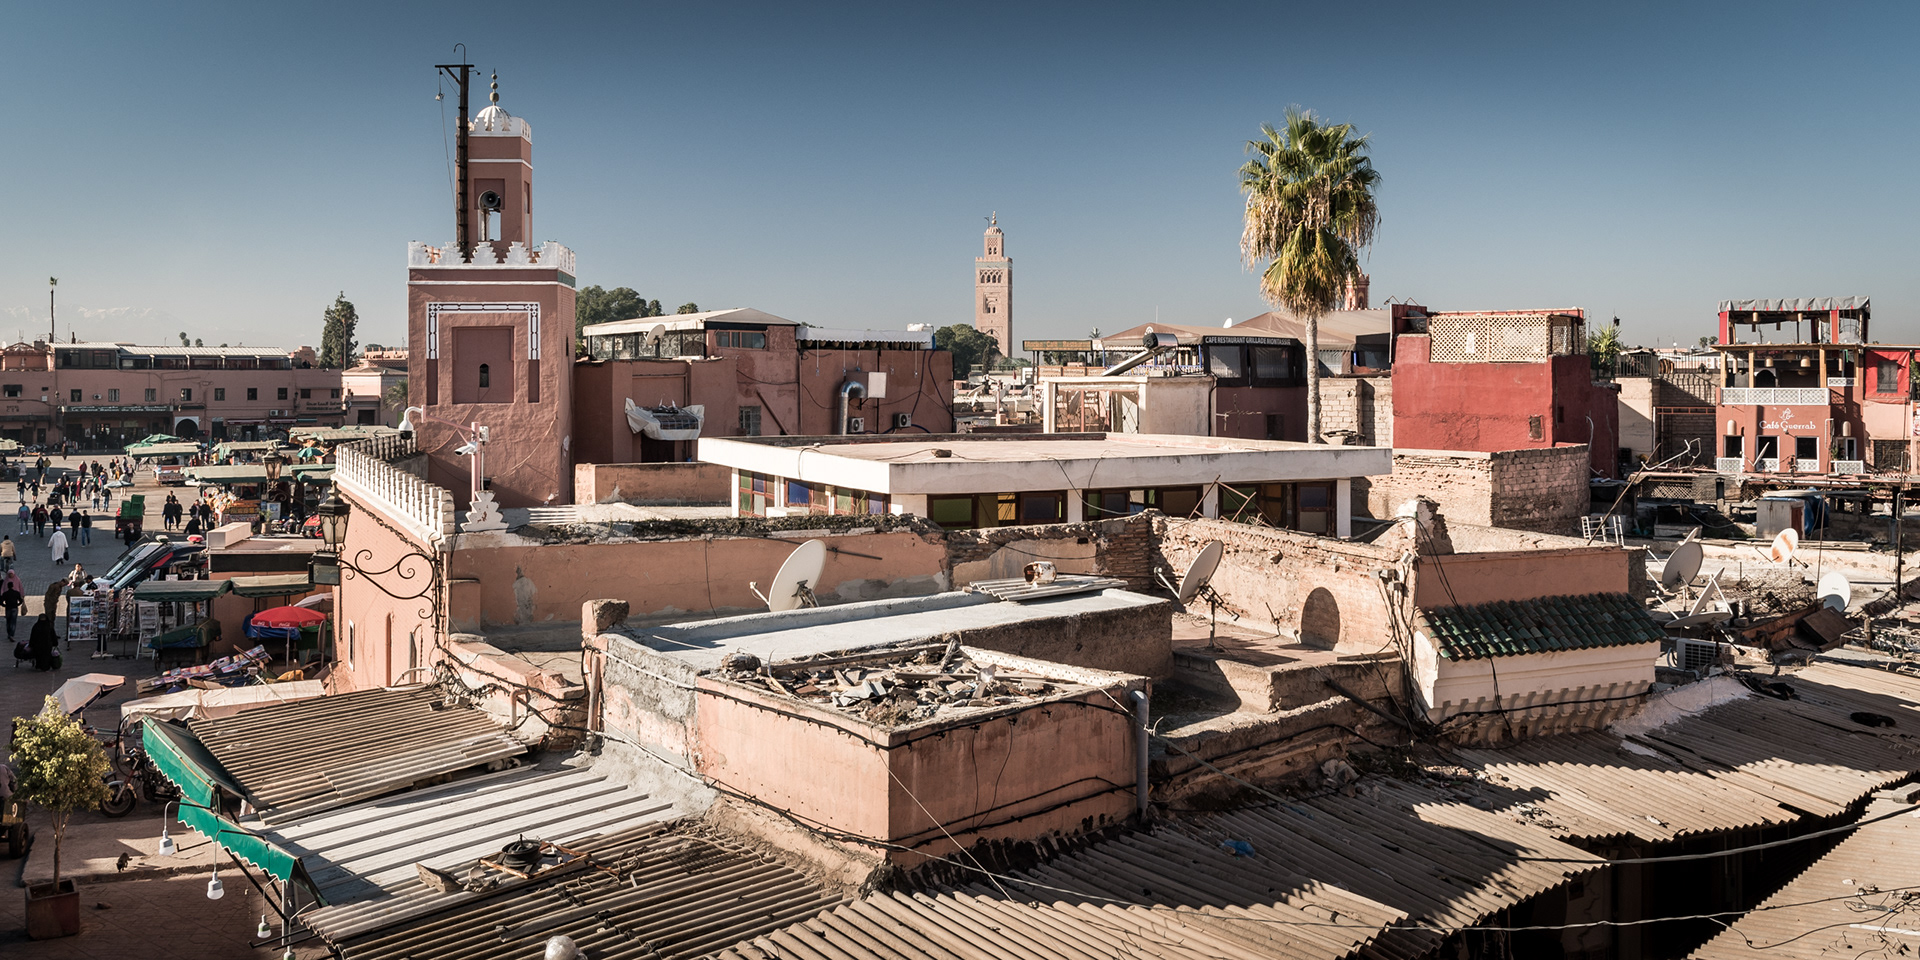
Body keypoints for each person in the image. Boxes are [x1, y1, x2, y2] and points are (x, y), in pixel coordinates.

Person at [0, 571, 21, 642]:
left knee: (8, 621)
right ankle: (12, 634)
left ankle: (9, 634)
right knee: (13, 621)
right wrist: (17, 604)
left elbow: (1, 601)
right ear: (12, 586)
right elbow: (21, 600)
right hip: (14, 608)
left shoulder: (5, 594)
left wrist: (4, 605)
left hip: (8, 608)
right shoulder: (16, 593)